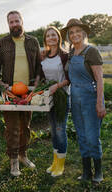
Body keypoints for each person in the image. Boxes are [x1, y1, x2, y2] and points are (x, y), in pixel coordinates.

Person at [0, 10, 41, 176]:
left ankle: (23, 155)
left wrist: (36, 83)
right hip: (10, 92)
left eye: (16, 21)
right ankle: (13, 161)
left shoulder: (33, 42)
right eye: (11, 22)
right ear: (8, 25)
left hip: (28, 92)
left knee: (25, 127)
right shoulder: (2, 43)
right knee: (12, 127)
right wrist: (0, 84)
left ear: (22, 21)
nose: (14, 24)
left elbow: (39, 67)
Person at [61, 18, 107, 183]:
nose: (75, 34)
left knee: (92, 136)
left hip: (90, 97)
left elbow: (100, 79)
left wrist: (100, 102)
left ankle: (99, 171)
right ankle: (87, 171)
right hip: (75, 98)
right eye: (71, 32)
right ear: (68, 36)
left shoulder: (91, 51)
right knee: (81, 135)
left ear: (83, 33)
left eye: (78, 31)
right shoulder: (72, 53)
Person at [40, 26, 70, 177]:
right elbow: (41, 76)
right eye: (48, 35)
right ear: (45, 39)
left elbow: (69, 78)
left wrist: (56, 86)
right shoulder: (44, 56)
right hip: (48, 97)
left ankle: (61, 165)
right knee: (53, 130)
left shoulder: (64, 56)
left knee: (60, 130)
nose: (51, 38)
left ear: (58, 37)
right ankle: (55, 162)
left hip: (61, 97)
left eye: (54, 35)